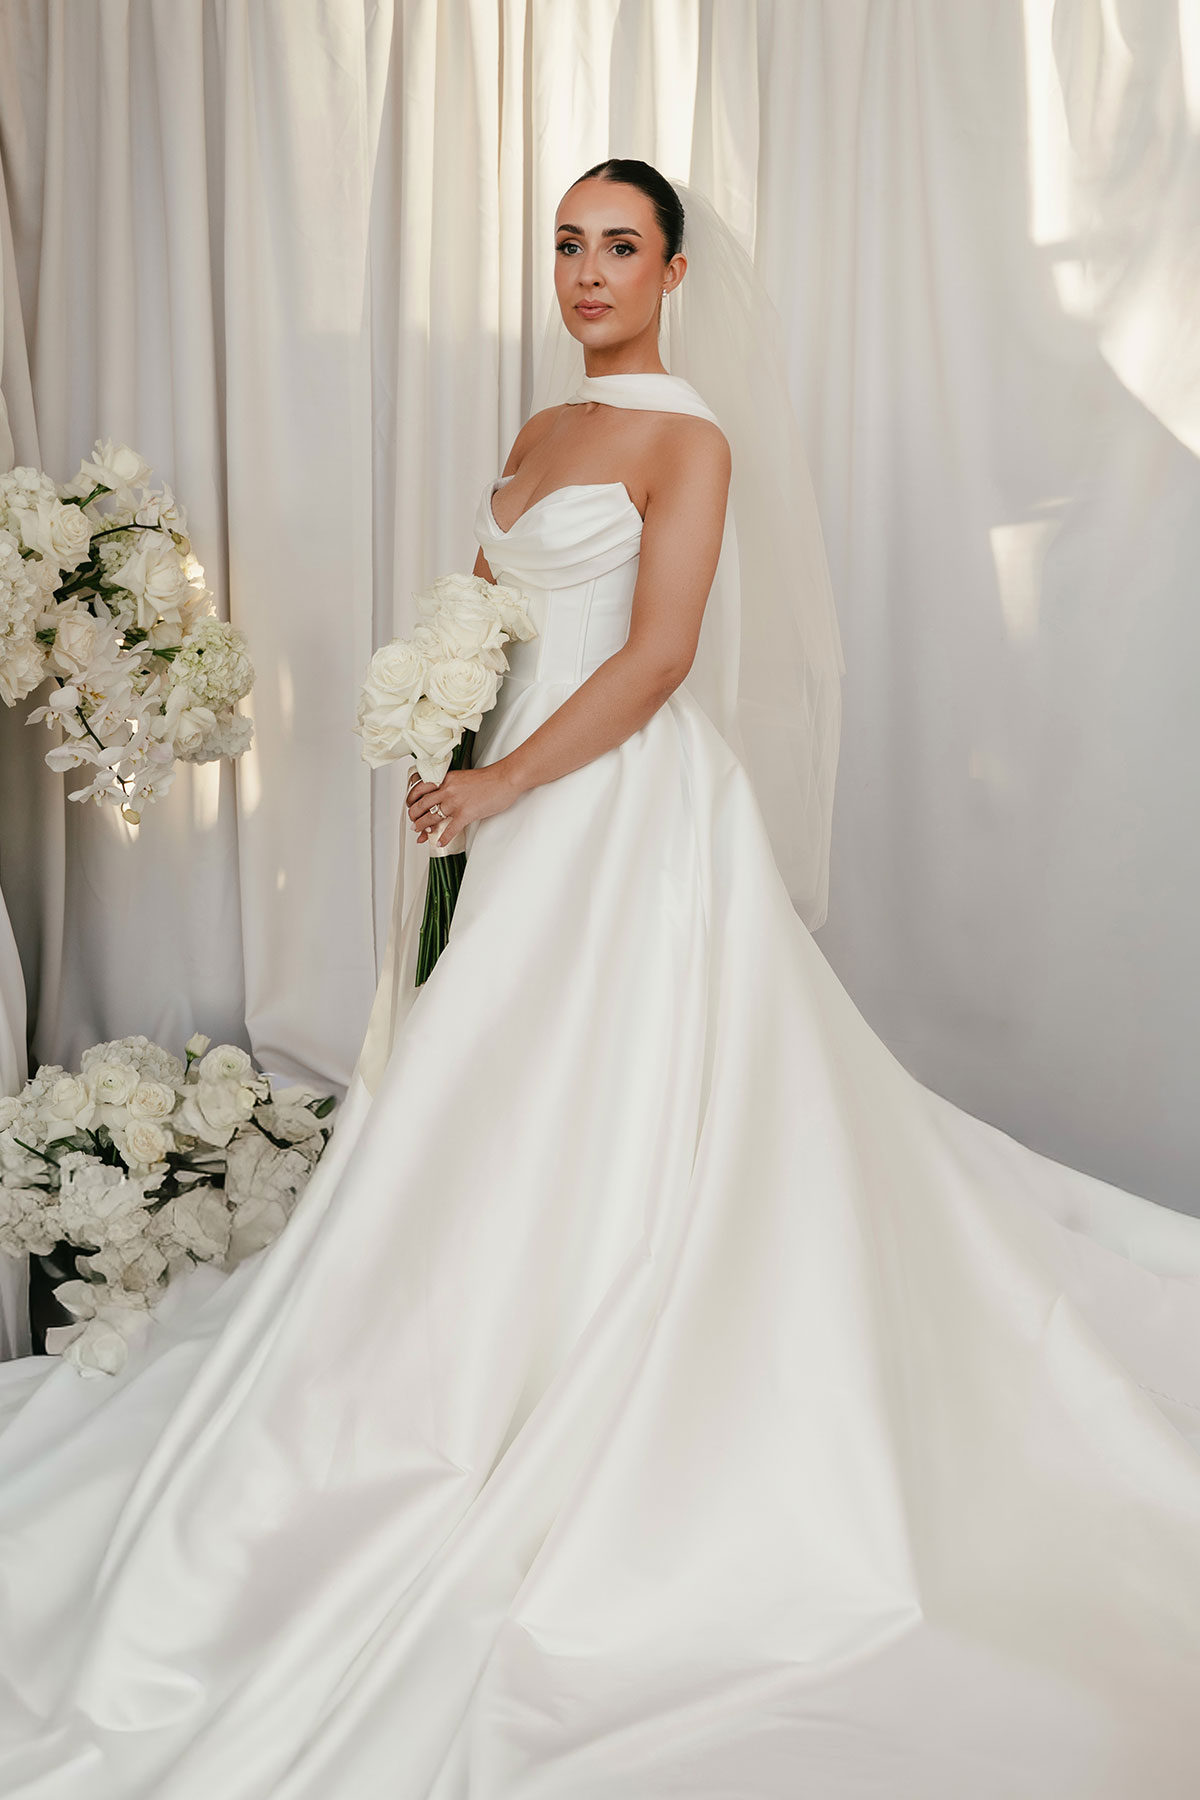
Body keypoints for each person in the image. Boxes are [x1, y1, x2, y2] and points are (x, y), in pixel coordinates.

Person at [0, 158, 1198, 1800]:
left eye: (618, 247)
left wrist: (499, 782)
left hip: (616, 804)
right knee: (487, 1087)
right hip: (505, 789)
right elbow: (489, 615)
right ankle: (459, 1347)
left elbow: (655, 656)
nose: (586, 272)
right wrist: (442, 715)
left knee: (580, 1077)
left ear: (675, 269)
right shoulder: (542, 430)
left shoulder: (684, 437)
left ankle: (596, 1362)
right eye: (567, 246)